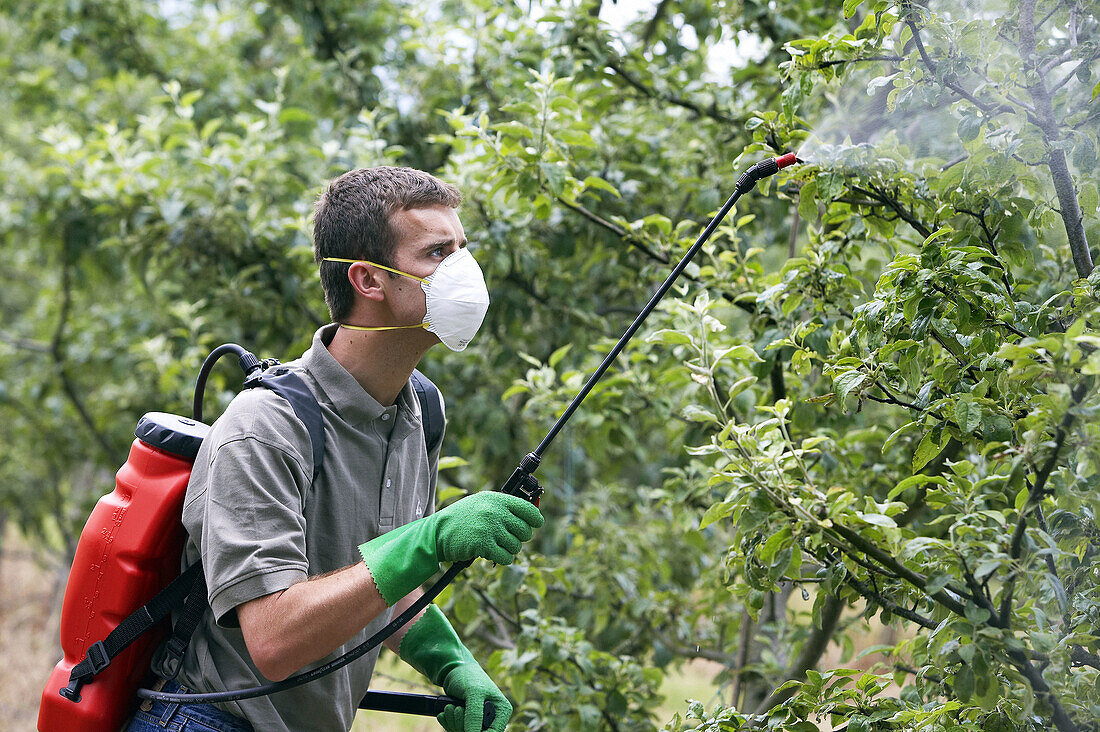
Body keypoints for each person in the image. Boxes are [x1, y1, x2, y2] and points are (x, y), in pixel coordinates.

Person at [127, 167, 543, 732]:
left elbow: (376, 581)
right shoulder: (264, 428)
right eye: (437, 253)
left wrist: (451, 664)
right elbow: (274, 639)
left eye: (462, 249)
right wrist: (431, 538)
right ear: (369, 280)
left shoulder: (420, 408)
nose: (464, 272)